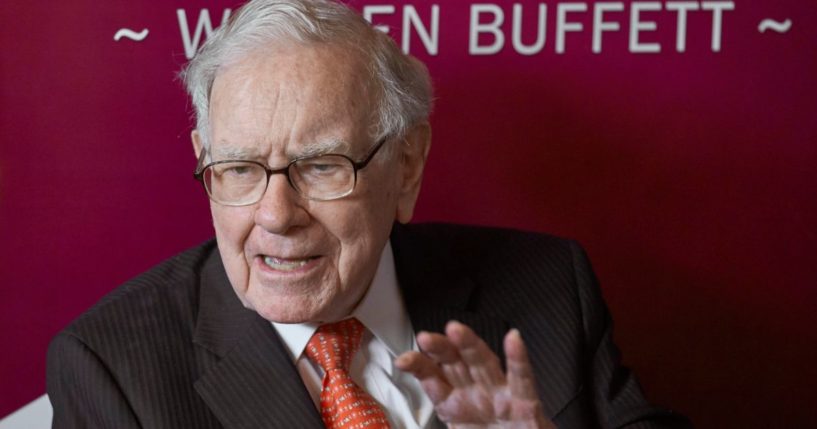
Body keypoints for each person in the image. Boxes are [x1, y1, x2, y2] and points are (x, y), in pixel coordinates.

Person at [47, 0, 691, 428]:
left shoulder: (551, 288)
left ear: (406, 165)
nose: (276, 216)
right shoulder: (112, 371)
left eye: (322, 166)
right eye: (240, 169)